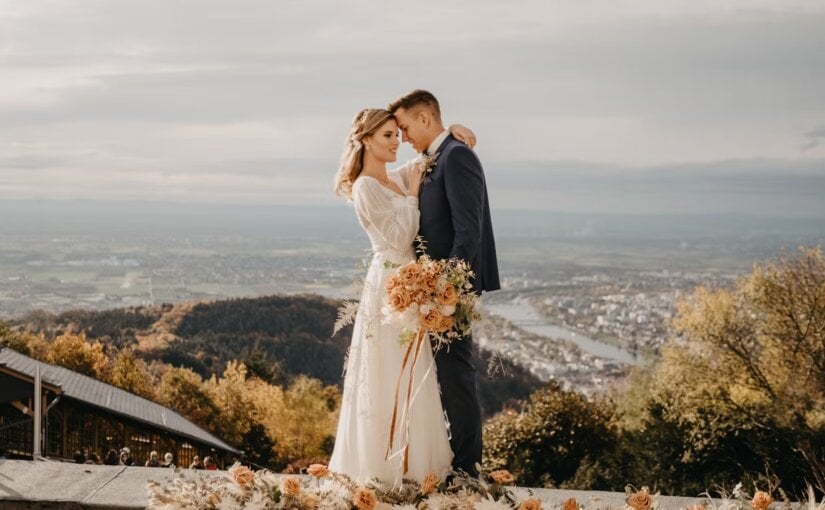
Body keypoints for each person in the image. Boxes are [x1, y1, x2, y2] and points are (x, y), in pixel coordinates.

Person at [328, 108, 476, 484]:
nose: (396, 142)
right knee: (387, 370)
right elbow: (399, 238)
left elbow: (430, 157)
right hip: (390, 285)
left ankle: (418, 464)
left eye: (398, 135)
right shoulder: (365, 187)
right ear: (365, 141)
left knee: (417, 373)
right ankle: (385, 467)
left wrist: (453, 129)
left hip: (413, 283)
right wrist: (412, 196)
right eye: (387, 137)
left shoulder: (394, 177)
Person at [389, 90, 500, 477]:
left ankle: (468, 469)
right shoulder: (435, 156)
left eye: (404, 127)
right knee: (440, 376)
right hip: (432, 290)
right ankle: (449, 461)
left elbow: (469, 232)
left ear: (424, 119)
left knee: (456, 377)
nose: (402, 137)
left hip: (449, 291)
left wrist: (442, 288)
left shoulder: (458, 156)